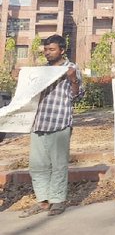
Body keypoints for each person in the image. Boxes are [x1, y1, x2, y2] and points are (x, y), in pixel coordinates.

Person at [19, 35, 84, 218]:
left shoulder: (71, 69)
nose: (47, 53)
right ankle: (43, 201)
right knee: (37, 165)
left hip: (60, 121)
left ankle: (58, 201)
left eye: (51, 49)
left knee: (58, 164)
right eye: (46, 50)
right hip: (38, 122)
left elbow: (77, 97)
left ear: (62, 50)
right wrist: (21, 78)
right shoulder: (41, 71)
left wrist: (73, 80)